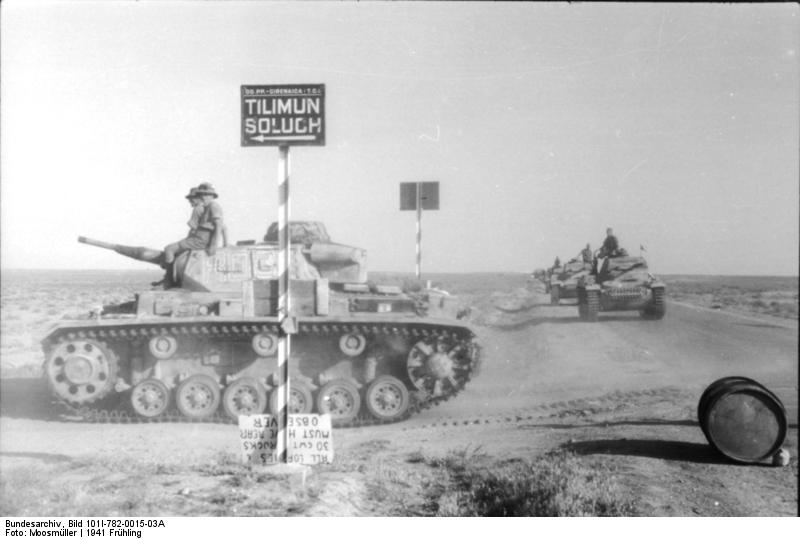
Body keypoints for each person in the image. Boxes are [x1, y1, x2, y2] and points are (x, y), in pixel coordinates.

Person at [163, 182, 225, 265]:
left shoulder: (213, 206)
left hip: (200, 241)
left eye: (205, 195)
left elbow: (219, 226)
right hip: (199, 239)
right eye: (201, 195)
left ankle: (169, 276)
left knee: (169, 249)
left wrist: (213, 246)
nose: (202, 197)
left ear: (212, 196)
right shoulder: (207, 207)